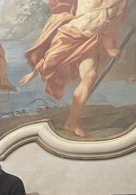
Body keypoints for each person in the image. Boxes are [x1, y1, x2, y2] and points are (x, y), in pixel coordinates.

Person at [19, 0, 127, 137]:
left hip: (90, 40)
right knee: (50, 63)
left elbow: (109, 25)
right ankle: (34, 73)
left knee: (90, 76)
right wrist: (34, 73)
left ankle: (71, 122)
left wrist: (110, 48)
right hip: (70, 35)